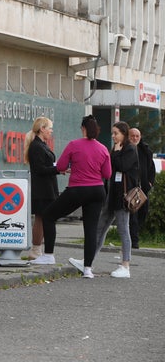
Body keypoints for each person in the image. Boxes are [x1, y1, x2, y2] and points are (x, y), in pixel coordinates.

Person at [32, 115, 111, 280]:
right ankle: (88, 269)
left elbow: (60, 166)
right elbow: (107, 174)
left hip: (77, 190)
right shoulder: (103, 149)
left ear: (83, 129)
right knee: (90, 229)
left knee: (48, 215)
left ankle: (48, 255)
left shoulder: (74, 145)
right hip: (97, 191)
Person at [88, 121, 138, 278]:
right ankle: (88, 260)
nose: (113, 136)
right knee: (99, 228)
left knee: (123, 229)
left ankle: (126, 265)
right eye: (113, 133)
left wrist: (116, 152)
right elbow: (109, 168)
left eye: (116, 133)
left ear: (123, 133)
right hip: (112, 195)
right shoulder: (116, 149)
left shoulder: (130, 149)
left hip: (123, 197)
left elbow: (122, 166)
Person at [23, 117, 60, 260]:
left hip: (47, 187)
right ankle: (36, 249)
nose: (51, 131)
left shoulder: (42, 145)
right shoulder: (37, 147)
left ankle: (37, 249)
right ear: (42, 129)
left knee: (43, 218)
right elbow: (39, 169)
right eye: (50, 128)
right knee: (42, 218)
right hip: (42, 189)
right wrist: (57, 169)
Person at [128, 127, 156, 249]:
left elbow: (152, 168)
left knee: (143, 211)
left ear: (140, 137)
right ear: (128, 137)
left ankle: (133, 233)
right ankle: (134, 241)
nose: (134, 138)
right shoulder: (125, 150)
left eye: (137, 136)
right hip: (130, 188)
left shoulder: (145, 151)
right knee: (133, 214)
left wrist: (150, 182)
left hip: (143, 188)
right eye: (132, 136)